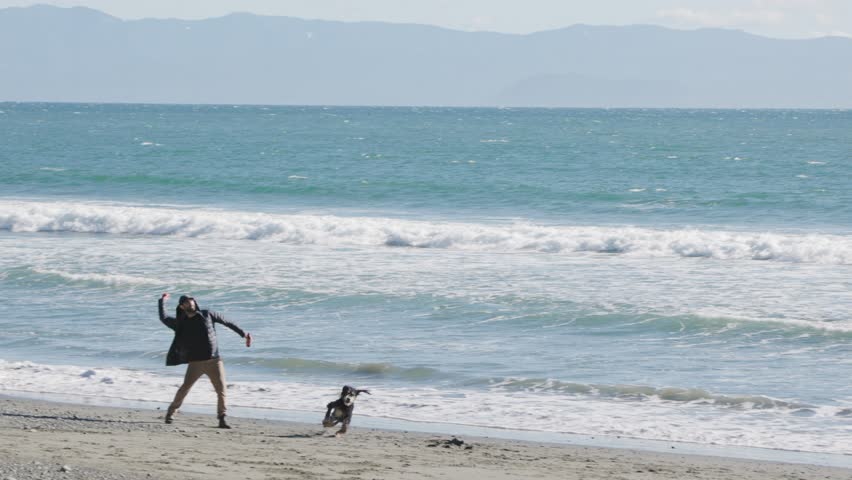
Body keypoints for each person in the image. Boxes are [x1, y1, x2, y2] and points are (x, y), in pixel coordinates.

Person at [158, 292, 252, 429]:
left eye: (192, 300)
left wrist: (244, 334)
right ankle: (171, 413)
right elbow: (164, 317)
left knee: (221, 390)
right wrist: (162, 301)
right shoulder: (180, 323)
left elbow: (227, 322)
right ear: (182, 307)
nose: (190, 303)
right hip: (195, 363)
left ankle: (222, 418)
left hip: (214, 361)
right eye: (186, 302)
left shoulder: (208, 314)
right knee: (185, 388)